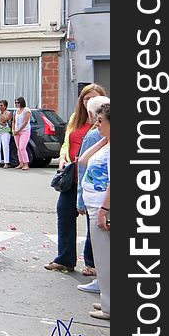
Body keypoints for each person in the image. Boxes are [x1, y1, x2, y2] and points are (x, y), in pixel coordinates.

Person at [45, 84, 106, 274]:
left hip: (92, 178)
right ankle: (65, 259)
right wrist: (63, 157)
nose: (89, 102)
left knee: (93, 219)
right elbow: (67, 142)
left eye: (93, 98)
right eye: (85, 99)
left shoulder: (103, 122)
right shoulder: (76, 119)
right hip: (72, 174)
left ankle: (92, 262)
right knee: (64, 213)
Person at [78, 102, 110, 320]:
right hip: (95, 204)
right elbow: (83, 159)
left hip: (102, 205)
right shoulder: (107, 144)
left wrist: (104, 209)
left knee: (106, 258)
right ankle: (108, 300)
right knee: (102, 257)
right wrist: (105, 138)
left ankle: (110, 306)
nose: (96, 125)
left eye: (100, 121)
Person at [11, 96, 32, 170]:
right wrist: (13, 130)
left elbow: (25, 122)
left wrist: (19, 130)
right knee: (18, 148)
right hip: (16, 131)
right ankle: (21, 163)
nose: (16, 104)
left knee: (22, 147)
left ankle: (26, 163)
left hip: (24, 131)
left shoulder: (27, 110)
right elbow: (13, 121)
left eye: (18, 102)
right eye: (15, 103)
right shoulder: (15, 111)